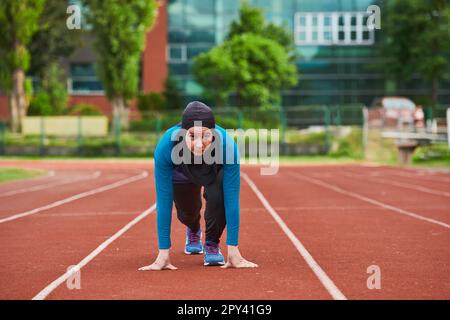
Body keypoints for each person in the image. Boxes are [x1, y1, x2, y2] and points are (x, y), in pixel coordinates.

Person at [139, 101, 258, 270]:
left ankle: (211, 243)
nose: (199, 143)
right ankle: (193, 228)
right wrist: (163, 254)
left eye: (206, 136)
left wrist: (234, 249)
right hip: (182, 173)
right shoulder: (166, 147)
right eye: (192, 136)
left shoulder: (227, 146)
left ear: (214, 133)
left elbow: (231, 199)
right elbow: (163, 202)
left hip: (213, 172)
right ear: (182, 134)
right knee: (187, 213)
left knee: (219, 195)